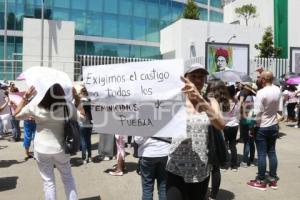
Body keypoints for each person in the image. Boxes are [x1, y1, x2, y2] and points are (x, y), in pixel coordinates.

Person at [166, 63, 225, 200]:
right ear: (185, 78)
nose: (198, 80)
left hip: (200, 169)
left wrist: (199, 99)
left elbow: (220, 125)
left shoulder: (211, 102)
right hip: (176, 167)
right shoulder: (175, 101)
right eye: (193, 76)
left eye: (201, 77)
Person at [13, 84, 78, 200]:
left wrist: (25, 97)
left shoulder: (36, 105)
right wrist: (76, 97)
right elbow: (82, 117)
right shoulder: (67, 106)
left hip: (41, 149)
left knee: (48, 182)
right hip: (61, 148)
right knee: (68, 178)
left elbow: (16, 115)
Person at [247, 71, 281, 191]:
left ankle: (261, 180)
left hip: (262, 126)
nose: (258, 79)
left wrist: (251, 127)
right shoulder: (277, 89)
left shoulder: (261, 92)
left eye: (259, 78)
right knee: (271, 152)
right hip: (273, 125)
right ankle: (272, 178)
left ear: (263, 80)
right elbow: (279, 109)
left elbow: (256, 113)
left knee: (261, 153)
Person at [205, 79, 230, 200]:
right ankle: (213, 195)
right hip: (219, 134)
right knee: (215, 167)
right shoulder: (226, 101)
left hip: (210, 134)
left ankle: (205, 192)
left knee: (207, 165)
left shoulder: (210, 101)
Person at [239, 83, 256, 168]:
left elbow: (248, 112)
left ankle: (245, 161)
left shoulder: (248, 98)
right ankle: (251, 160)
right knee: (251, 142)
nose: (243, 90)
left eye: (245, 89)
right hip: (253, 121)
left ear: (249, 90)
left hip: (248, 121)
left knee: (247, 142)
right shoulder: (253, 97)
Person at [78, 86, 93, 164]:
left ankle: (84, 158)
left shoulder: (81, 102)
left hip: (83, 123)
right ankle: (90, 157)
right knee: (88, 140)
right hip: (90, 123)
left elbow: (81, 112)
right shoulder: (90, 101)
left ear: (82, 93)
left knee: (83, 141)